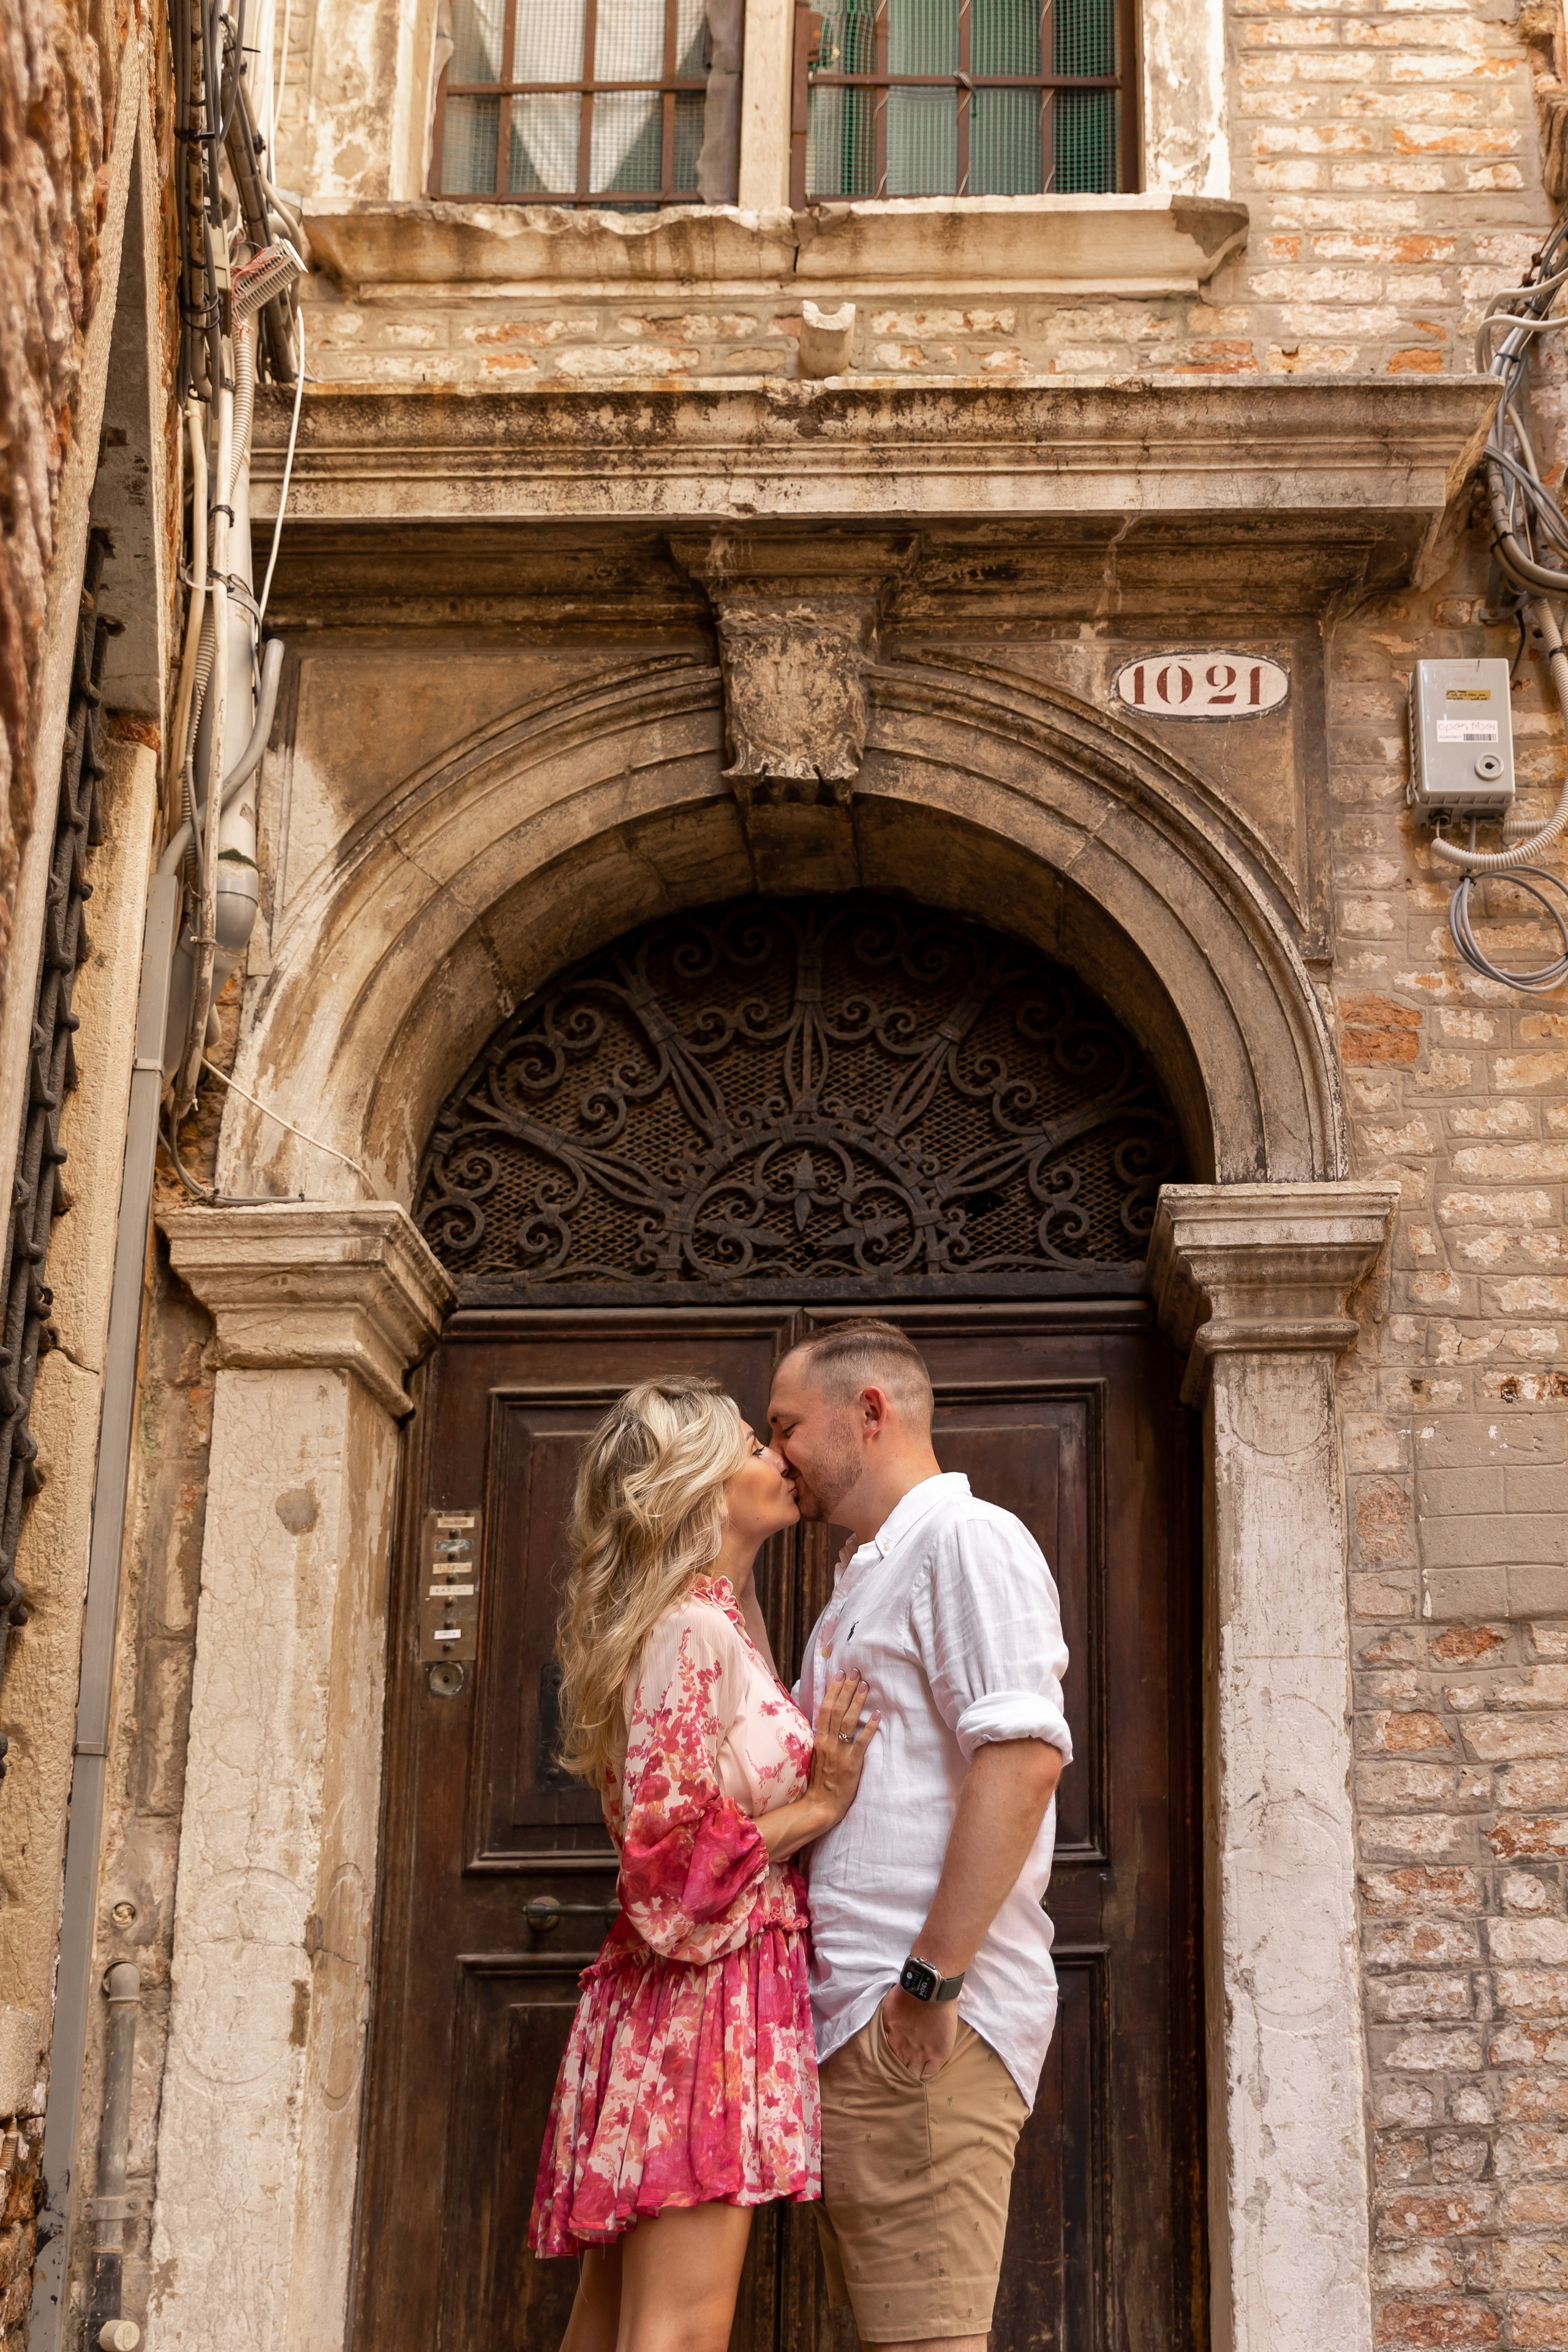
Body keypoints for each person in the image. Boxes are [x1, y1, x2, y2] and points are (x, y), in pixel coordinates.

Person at [530, 1374, 880, 2352]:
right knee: (678, 2330)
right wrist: (820, 1804)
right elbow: (669, 1867)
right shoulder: (691, 1632)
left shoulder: (712, 1621)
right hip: (701, 1996)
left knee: (617, 2327)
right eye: (752, 1446)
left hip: (690, 1997)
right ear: (701, 1485)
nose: (778, 1456)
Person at [769, 1320, 1072, 2352]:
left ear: (869, 1412)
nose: (777, 1454)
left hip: (917, 2026)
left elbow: (1023, 1758)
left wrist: (930, 1984)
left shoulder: (965, 1540)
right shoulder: (864, 1579)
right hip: (865, 2022)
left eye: (786, 1426)